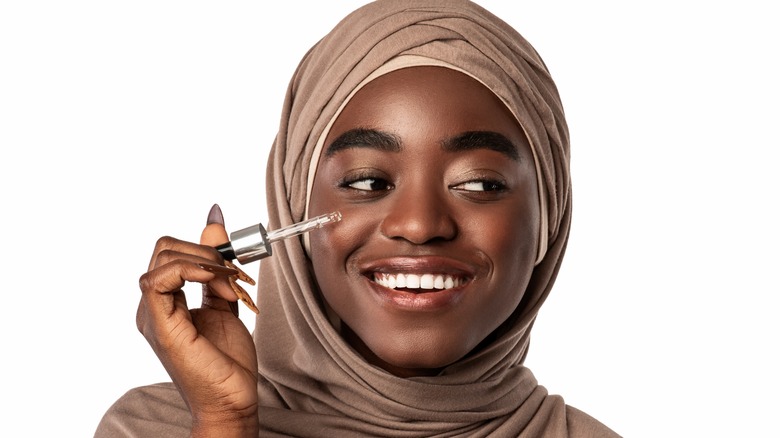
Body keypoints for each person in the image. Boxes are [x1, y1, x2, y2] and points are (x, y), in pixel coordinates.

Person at [96, 0, 620, 436]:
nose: (418, 225)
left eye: (479, 183)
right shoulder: (155, 429)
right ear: (292, 208)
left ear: (549, 219)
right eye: (367, 182)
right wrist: (226, 421)